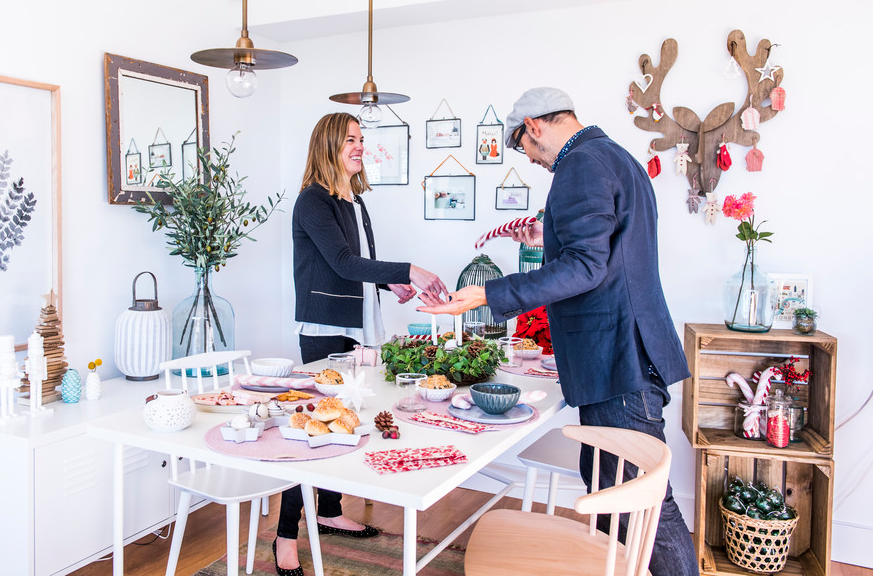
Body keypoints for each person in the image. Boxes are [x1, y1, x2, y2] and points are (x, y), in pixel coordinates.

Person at [417, 88, 699, 576]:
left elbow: (587, 268)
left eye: (524, 146)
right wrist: (548, 241)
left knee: (639, 501)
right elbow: (607, 253)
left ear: (534, 125)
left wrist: (487, 294)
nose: (532, 159)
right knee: (612, 489)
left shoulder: (580, 165)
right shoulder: (614, 156)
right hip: (628, 351)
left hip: (616, 356)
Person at [276, 112, 448, 576]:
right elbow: (344, 263)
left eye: (361, 138)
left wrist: (391, 286)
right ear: (329, 144)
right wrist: (408, 270)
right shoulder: (313, 201)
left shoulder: (354, 199)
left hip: (359, 324)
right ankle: (285, 536)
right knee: (312, 434)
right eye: (351, 139)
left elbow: (360, 264)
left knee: (347, 424)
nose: (360, 146)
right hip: (327, 330)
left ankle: (329, 511)